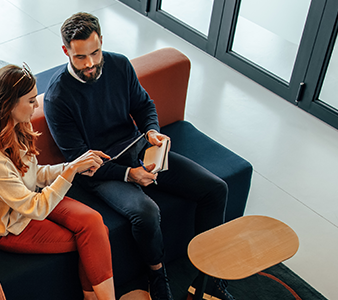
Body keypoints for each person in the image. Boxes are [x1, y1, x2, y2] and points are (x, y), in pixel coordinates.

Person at [43, 12, 233, 300]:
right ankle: (156, 274)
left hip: (137, 148)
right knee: (146, 213)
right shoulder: (57, 98)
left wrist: (152, 131)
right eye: (81, 57)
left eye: (95, 53)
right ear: (66, 51)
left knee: (216, 189)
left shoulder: (119, 64)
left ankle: (207, 278)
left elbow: (144, 105)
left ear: (102, 42)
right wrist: (128, 175)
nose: (91, 64)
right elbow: (79, 161)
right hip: (98, 171)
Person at [0, 64, 118, 300]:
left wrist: (74, 167)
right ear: (8, 104)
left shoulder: (18, 126)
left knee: (94, 224)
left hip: (30, 200)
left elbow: (34, 174)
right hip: (9, 227)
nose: (36, 105)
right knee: (92, 238)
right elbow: (35, 209)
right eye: (30, 101)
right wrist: (69, 172)